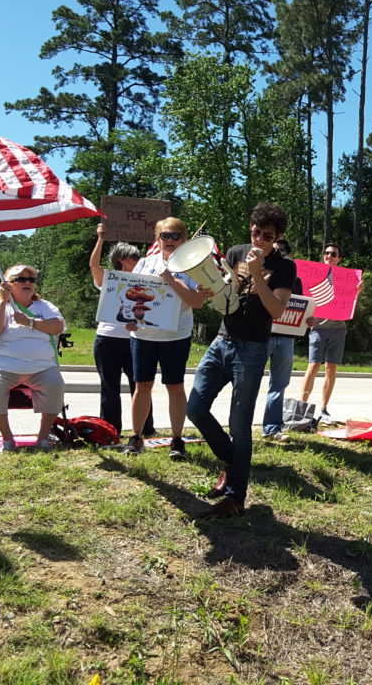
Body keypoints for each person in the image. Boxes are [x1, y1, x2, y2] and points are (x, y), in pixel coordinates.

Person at [188, 203, 297, 519]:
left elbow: (277, 311)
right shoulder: (236, 252)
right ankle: (232, 462)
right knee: (194, 408)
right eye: (255, 232)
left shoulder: (284, 266)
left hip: (252, 348)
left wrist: (259, 271)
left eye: (266, 235)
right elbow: (228, 293)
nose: (258, 239)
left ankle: (236, 498)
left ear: (278, 237)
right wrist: (206, 286)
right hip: (222, 340)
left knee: (239, 425)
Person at [123, 218, 213, 458]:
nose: (171, 240)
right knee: (142, 386)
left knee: (174, 386)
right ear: (158, 239)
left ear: (184, 240)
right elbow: (131, 297)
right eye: (166, 236)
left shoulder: (192, 267)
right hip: (143, 336)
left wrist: (172, 280)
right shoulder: (144, 263)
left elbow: (197, 302)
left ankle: (176, 439)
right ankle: (136, 437)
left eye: (176, 236)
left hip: (176, 336)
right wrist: (129, 319)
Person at [0, 264, 66, 452]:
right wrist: (3, 302)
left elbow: (58, 326)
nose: (27, 282)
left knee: (55, 384)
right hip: (2, 366)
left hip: (42, 367)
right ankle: (8, 440)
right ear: (8, 284)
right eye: (20, 279)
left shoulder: (45, 306)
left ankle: (42, 438)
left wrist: (30, 322)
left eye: (31, 279)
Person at [88, 222, 154, 438]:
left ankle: (146, 428)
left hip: (137, 338)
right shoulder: (110, 279)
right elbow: (94, 266)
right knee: (109, 386)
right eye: (134, 257)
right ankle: (110, 429)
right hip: (107, 339)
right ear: (122, 260)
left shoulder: (146, 280)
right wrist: (101, 239)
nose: (138, 260)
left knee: (140, 384)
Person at [298, 242, 363, 424]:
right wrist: (305, 318)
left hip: (338, 329)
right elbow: (304, 299)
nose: (329, 256)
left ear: (339, 258)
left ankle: (324, 409)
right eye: (327, 253)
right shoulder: (313, 274)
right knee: (313, 367)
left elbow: (350, 303)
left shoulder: (347, 278)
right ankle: (302, 407)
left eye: (334, 254)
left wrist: (357, 291)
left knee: (331, 369)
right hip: (317, 328)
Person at [261, 238, 304, 440]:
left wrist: (307, 319)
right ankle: (240, 427)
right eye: (275, 250)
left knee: (278, 385)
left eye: (283, 251)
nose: (279, 253)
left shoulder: (295, 280)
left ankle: (272, 428)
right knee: (247, 383)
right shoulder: (260, 274)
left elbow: (300, 307)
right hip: (261, 335)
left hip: (286, 338)